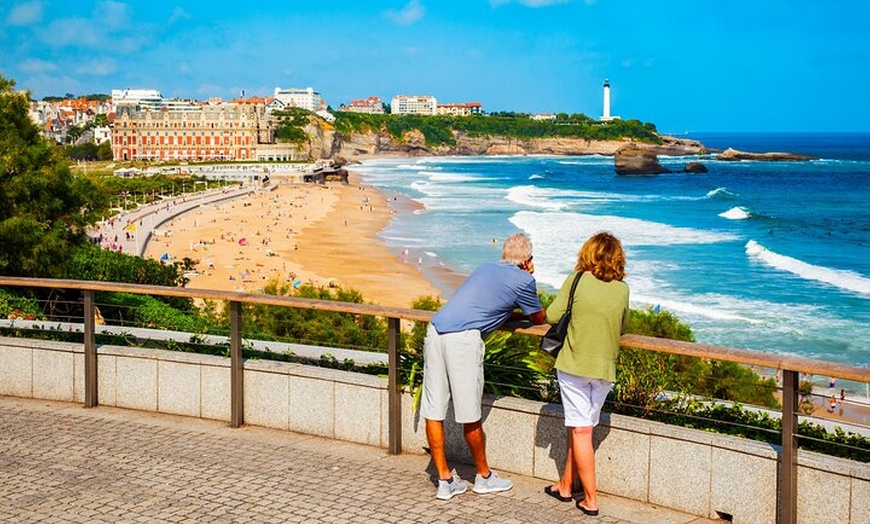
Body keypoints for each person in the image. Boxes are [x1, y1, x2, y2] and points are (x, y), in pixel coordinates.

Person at [421, 233, 546, 500]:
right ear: (528, 261)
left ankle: (444, 479)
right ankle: (484, 477)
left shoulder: (484, 267)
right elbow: (538, 317)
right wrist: (526, 282)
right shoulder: (525, 279)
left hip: (436, 330)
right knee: (469, 413)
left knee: (434, 409)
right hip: (463, 340)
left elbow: (487, 299)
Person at [543, 232, 629, 517]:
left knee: (580, 429)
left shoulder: (577, 279)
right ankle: (566, 485)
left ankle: (590, 499)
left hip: (574, 365)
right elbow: (623, 325)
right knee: (581, 427)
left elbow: (553, 315)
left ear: (588, 253)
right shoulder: (622, 289)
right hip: (605, 368)